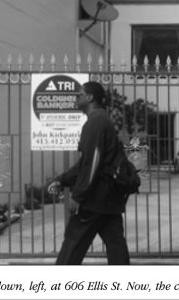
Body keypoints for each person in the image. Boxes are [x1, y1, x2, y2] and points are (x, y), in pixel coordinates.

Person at [47, 81, 131, 265]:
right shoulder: (101, 121)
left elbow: (92, 164)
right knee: (116, 247)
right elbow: (87, 163)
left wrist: (79, 196)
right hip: (109, 199)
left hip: (94, 199)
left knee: (72, 245)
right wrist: (62, 180)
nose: (76, 98)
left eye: (79, 95)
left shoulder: (95, 123)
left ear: (89, 97)